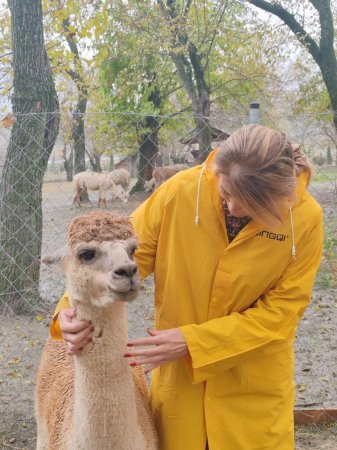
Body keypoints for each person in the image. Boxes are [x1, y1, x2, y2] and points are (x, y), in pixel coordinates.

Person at [51, 124, 323, 450]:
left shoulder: (305, 220)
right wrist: (68, 312)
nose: (233, 207)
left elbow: (281, 314)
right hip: (182, 396)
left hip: (252, 397)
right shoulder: (180, 192)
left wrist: (193, 342)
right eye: (226, 194)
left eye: (251, 202)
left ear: (280, 194)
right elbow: (112, 254)